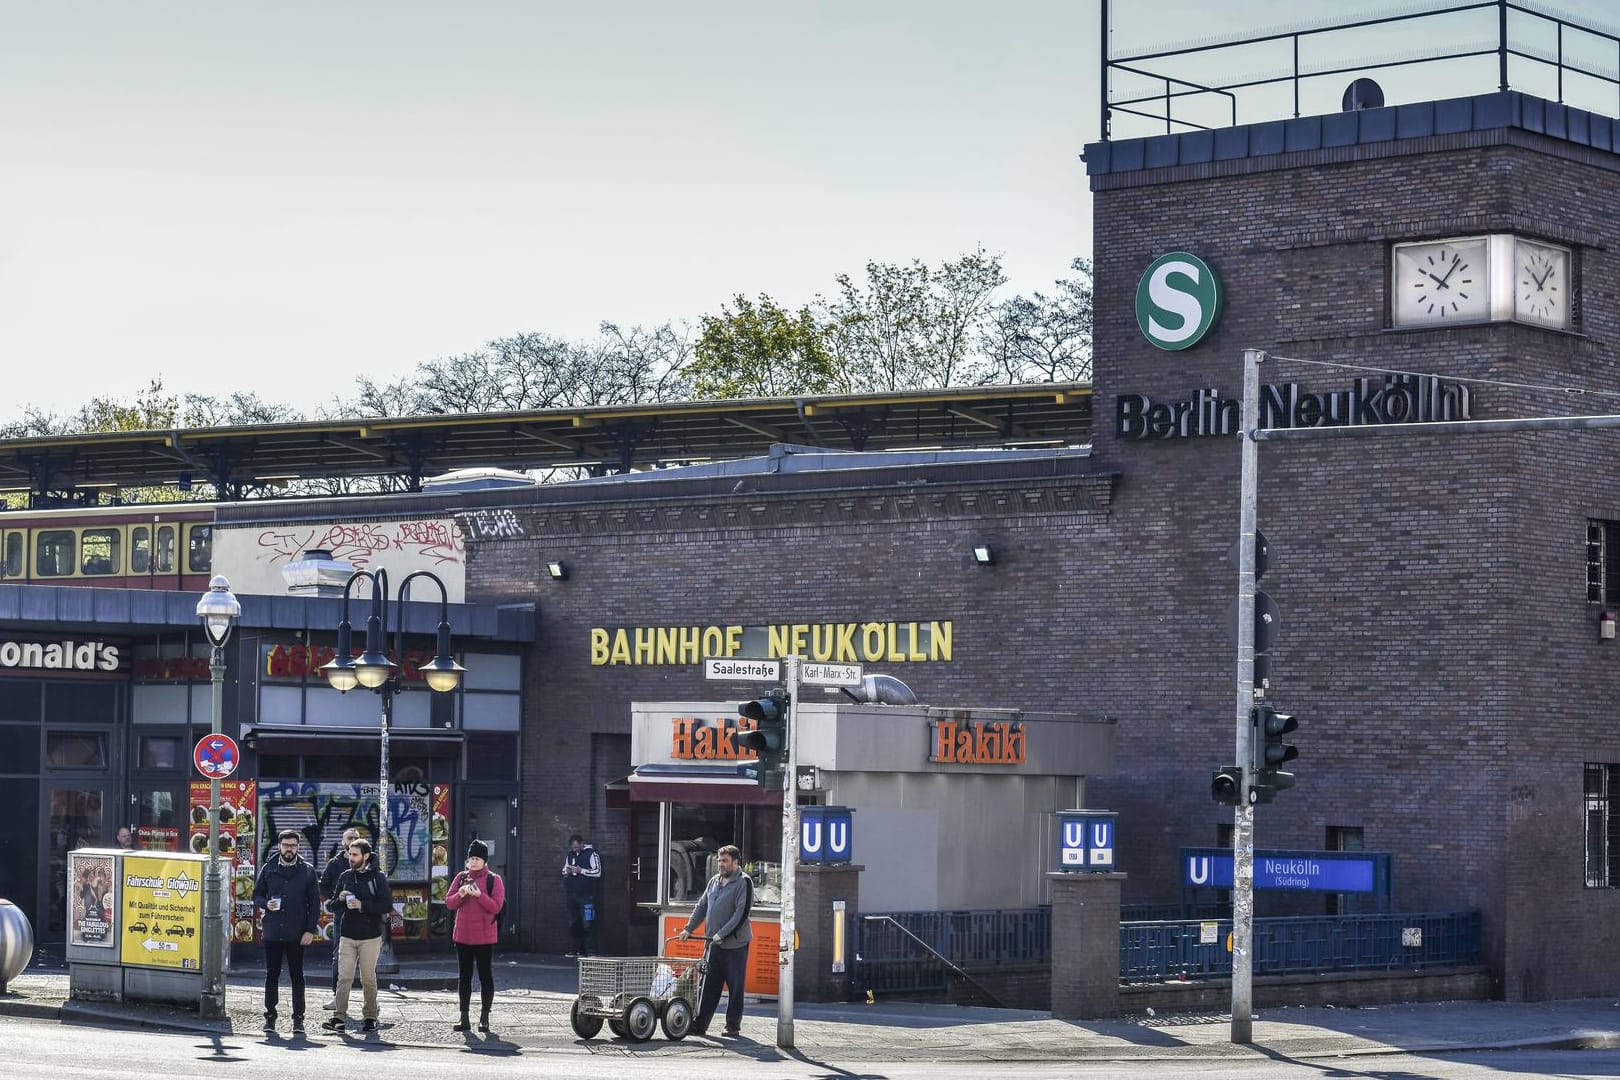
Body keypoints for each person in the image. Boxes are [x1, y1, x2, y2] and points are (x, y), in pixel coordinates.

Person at [678, 844, 754, 1038]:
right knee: (709, 986)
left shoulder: (743, 882)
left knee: (735, 986)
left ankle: (732, 1026)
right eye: (719, 860)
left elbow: (741, 914)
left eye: (725, 861)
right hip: (713, 945)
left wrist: (722, 934)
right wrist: (689, 928)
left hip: (734, 945)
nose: (721, 864)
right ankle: (700, 1024)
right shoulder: (714, 881)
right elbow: (702, 905)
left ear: (736, 863)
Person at [321, 837, 391, 1034]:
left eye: (354, 855)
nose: (350, 858)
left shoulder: (378, 878)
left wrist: (363, 905)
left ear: (365, 856)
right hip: (347, 935)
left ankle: (370, 1017)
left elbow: (386, 906)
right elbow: (332, 906)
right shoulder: (345, 876)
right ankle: (339, 1018)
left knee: (368, 978)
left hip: (370, 936)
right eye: (349, 854)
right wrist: (340, 899)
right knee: (344, 977)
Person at [254, 829, 319, 1031]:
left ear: (298, 847)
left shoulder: (307, 870)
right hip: (273, 930)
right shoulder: (269, 868)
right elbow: (256, 896)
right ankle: (270, 1017)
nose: (289, 849)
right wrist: (266, 904)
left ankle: (298, 1018)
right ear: (279, 846)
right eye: (285, 845)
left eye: (293, 845)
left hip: (296, 932)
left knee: (297, 975)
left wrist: (309, 930)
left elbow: (315, 904)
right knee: (272, 974)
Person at [444, 839, 504, 1033]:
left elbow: (496, 906)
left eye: (478, 858)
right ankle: (464, 1017)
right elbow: (449, 903)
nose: (474, 861)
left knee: (486, 976)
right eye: (472, 858)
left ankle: (485, 1017)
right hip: (462, 936)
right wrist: (461, 894)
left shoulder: (493, 880)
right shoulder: (461, 877)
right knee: (464, 977)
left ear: (485, 861)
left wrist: (480, 895)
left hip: (485, 938)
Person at [318, 827, 362, 1008]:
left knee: (367, 959)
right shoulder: (335, 863)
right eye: (349, 838)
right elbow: (322, 886)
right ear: (343, 841)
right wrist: (337, 897)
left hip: (365, 916)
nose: (352, 840)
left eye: (355, 838)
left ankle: (371, 1000)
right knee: (339, 956)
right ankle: (337, 997)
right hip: (342, 917)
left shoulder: (368, 861)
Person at [562, 833, 601, 957]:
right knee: (573, 922)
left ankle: (591, 951)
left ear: (582, 844)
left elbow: (597, 872)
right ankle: (576, 949)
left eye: (577, 847)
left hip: (586, 895)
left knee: (588, 922)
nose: (575, 850)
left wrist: (581, 870)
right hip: (572, 893)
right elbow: (563, 870)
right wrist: (567, 871)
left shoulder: (591, 854)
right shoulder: (570, 855)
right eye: (573, 848)